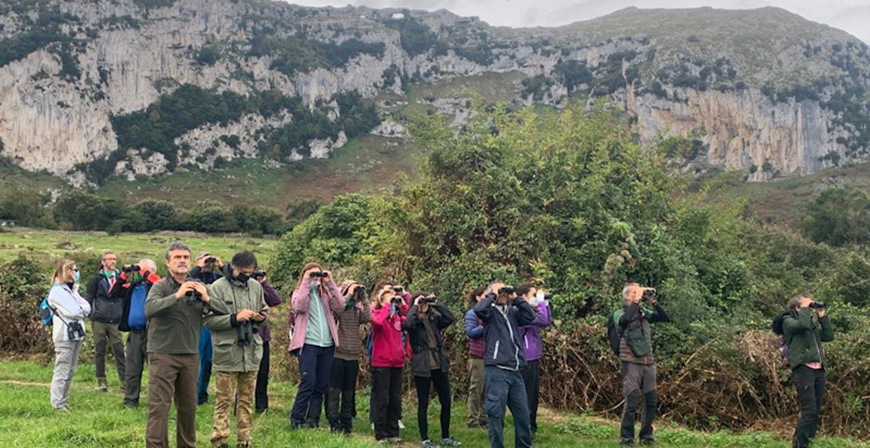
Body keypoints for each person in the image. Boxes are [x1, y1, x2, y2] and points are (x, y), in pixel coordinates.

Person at [145, 242, 213, 448]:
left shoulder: (198, 286)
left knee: (188, 408)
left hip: (191, 354)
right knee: (159, 407)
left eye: (186, 257)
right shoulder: (161, 286)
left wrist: (207, 298)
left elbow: (219, 311)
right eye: (177, 257)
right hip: (163, 353)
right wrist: (177, 295)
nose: (182, 260)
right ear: (168, 263)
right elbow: (149, 309)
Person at [204, 251, 268, 448]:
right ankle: (220, 440)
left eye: (251, 273)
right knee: (224, 400)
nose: (248, 276)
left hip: (251, 352)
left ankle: (244, 440)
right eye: (244, 272)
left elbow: (264, 308)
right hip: (227, 352)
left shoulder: (255, 287)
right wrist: (234, 318)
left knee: (246, 400)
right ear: (234, 268)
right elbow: (208, 320)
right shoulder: (217, 288)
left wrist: (261, 316)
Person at [474, 282, 535, 448]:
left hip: (515, 371)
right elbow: (479, 309)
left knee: (523, 415)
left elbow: (530, 316)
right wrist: (492, 294)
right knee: (496, 415)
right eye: (501, 291)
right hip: (497, 370)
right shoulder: (490, 314)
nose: (503, 294)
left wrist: (515, 298)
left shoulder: (513, 312)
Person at [288, 263, 346, 429]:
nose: (315, 278)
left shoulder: (325, 296)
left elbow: (340, 306)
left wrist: (330, 282)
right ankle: (297, 419)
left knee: (321, 384)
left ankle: (313, 419)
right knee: (308, 381)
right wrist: (307, 281)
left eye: (317, 275)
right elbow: (299, 306)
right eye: (312, 274)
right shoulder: (298, 293)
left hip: (327, 345)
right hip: (308, 344)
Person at [614, 283, 670, 447]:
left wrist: (654, 302)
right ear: (627, 296)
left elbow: (665, 318)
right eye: (634, 292)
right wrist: (637, 301)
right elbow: (625, 319)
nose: (638, 294)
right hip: (630, 363)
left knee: (651, 401)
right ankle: (626, 438)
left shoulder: (644, 313)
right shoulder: (620, 313)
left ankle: (646, 436)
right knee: (631, 401)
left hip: (648, 363)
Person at [404, 292, 461, 448]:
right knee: (423, 403)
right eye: (422, 302)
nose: (424, 305)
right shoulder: (414, 321)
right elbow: (407, 325)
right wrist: (415, 307)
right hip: (422, 363)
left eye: (425, 302)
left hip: (438, 362)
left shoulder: (434, 319)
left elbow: (450, 318)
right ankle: (425, 439)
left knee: (446, 401)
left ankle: (446, 436)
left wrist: (435, 303)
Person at [783, 294, 834, 448]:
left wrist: (822, 316)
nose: (809, 309)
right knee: (809, 409)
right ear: (797, 308)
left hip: (819, 370)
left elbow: (828, 336)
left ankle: (809, 440)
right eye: (806, 306)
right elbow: (802, 325)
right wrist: (805, 307)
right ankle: (799, 445)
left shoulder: (811, 323)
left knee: (816, 409)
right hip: (803, 369)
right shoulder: (788, 321)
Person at [325, 280, 372, 434]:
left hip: (352, 355)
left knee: (348, 391)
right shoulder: (339, 307)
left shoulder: (356, 310)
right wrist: (349, 293)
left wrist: (364, 298)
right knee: (334, 390)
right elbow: (338, 308)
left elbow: (367, 317)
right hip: (337, 354)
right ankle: (333, 422)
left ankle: (346, 423)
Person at [116, 259, 161, 408]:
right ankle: (130, 400)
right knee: (132, 369)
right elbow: (114, 292)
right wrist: (125, 274)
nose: (140, 272)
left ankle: (156, 400)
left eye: (144, 269)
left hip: (152, 333)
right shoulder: (134, 286)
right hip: (134, 333)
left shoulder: (157, 286)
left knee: (156, 370)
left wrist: (146, 273)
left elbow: (160, 283)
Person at [48, 259, 91, 411]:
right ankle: (57, 404)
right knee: (62, 369)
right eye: (74, 270)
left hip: (75, 334)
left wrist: (80, 308)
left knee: (71, 370)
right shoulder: (57, 291)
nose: (76, 273)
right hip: (64, 336)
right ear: (66, 271)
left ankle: (63, 402)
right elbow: (74, 311)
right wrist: (80, 309)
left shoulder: (71, 290)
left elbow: (87, 307)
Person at [370, 286, 407, 443]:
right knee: (382, 398)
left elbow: (411, 320)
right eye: (389, 297)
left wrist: (402, 304)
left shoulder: (398, 317)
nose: (392, 300)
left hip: (397, 362)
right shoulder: (377, 313)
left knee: (395, 398)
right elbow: (377, 323)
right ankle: (381, 434)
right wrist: (386, 306)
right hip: (381, 362)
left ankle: (393, 432)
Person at [85, 251, 125, 392]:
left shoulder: (121, 278)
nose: (113, 261)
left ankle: (124, 382)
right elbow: (89, 298)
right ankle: (101, 381)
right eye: (109, 259)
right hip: (99, 320)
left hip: (115, 320)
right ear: (103, 262)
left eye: (114, 259)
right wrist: (90, 314)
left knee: (119, 350)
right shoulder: (96, 279)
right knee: (99, 350)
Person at [517, 284, 552, 439]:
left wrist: (545, 304)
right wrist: (540, 303)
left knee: (534, 396)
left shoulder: (528, 311)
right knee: (527, 396)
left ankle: (532, 426)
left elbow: (547, 321)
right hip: (526, 357)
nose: (535, 297)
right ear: (524, 296)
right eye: (533, 294)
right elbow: (543, 321)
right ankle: (526, 429)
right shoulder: (521, 313)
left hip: (534, 357)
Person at [191, 252, 224, 405]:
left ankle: (202, 393)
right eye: (205, 260)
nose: (208, 264)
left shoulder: (217, 279)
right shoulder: (193, 278)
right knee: (198, 359)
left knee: (209, 361)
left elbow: (231, 279)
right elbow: (188, 278)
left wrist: (221, 266)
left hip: (213, 321)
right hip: (197, 322)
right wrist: (199, 266)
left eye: (209, 260)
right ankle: (193, 393)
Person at [254, 269, 283, 414]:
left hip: (262, 337)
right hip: (246, 338)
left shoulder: (260, 288)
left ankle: (261, 406)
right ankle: (241, 404)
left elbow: (276, 300)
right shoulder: (243, 290)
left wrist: (264, 282)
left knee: (263, 374)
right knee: (244, 374)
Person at [465, 287, 488, 429]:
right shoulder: (472, 313)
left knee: (488, 389)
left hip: (491, 356)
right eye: (486, 296)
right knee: (476, 389)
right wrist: (484, 326)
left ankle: (484, 418)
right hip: (477, 356)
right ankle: (472, 420)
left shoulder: (490, 313)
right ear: (478, 298)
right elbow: (470, 332)